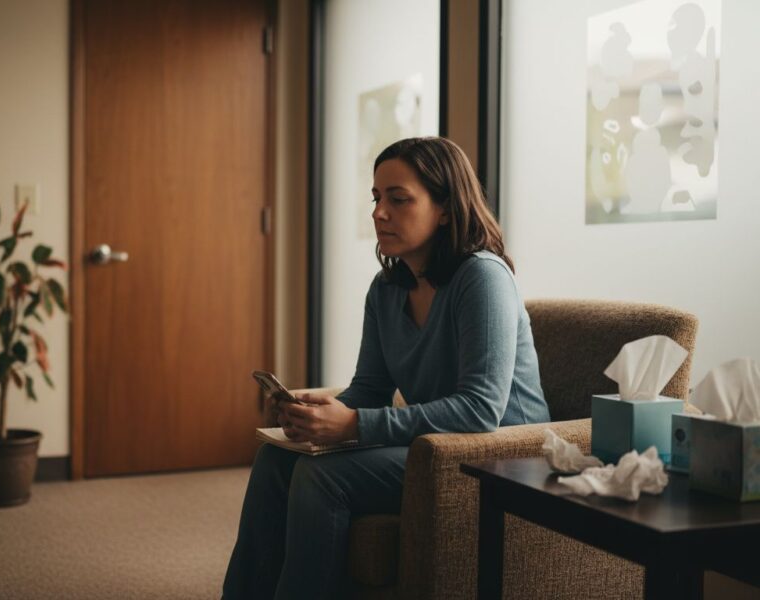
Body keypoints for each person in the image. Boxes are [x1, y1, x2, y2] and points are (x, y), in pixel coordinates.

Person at [222, 137, 550, 599]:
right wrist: (321, 411)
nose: (379, 212)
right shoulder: (386, 288)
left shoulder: (483, 278)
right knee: (276, 457)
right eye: (377, 198)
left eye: (399, 199)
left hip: (500, 455)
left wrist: (353, 424)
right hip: (433, 447)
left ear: (445, 209)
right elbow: (371, 388)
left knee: (323, 476)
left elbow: (480, 412)